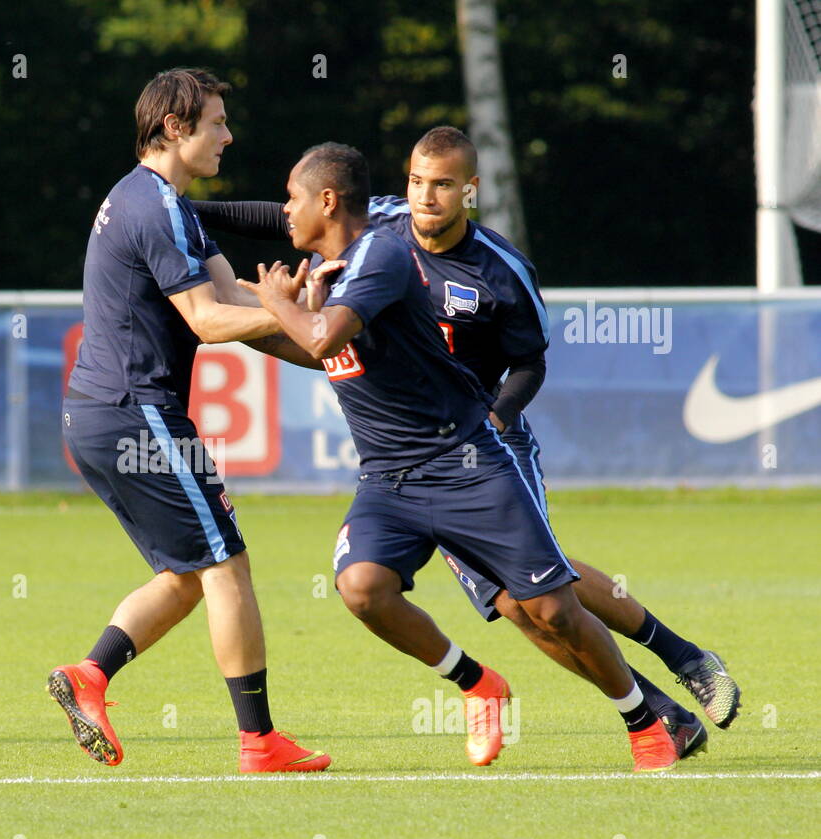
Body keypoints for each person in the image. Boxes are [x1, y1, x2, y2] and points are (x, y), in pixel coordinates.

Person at [197, 127, 741, 747]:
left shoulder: (499, 269)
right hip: (414, 451)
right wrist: (184, 210)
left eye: (444, 185)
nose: (426, 198)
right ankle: (659, 712)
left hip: (484, 435)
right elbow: (290, 212)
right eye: (417, 182)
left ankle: (684, 658)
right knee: (515, 606)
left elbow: (531, 362)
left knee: (542, 590)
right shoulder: (383, 220)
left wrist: (500, 419)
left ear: (470, 192)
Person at [51, 68, 329, 773]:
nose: (228, 135)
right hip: (137, 414)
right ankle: (260, 741)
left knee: (188, 571)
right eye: (216, 122)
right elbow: (209, 321)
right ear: (176, 128)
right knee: (226, 562)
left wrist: (329, 351)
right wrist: (298, 311)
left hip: (99, 417)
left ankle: (90, 675)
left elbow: (238, 301)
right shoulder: (157, 207)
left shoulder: (160, 203)